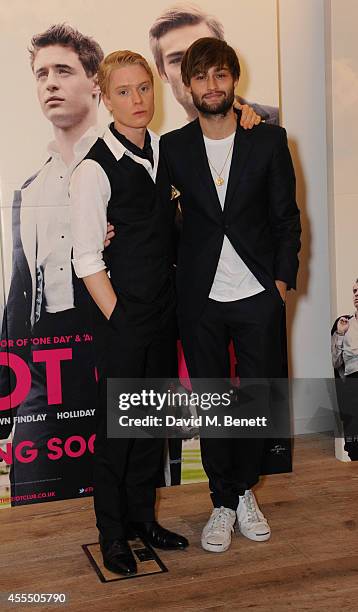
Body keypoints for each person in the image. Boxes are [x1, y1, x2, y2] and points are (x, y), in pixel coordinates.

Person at [157, 37, 301, 553]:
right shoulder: (172, 148)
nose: (211, 85)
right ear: (188, 86)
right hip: (201, 298)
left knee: (258, 398)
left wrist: (281, 282)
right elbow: (161, 223)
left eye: (220, 75)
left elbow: (286, 218)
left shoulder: (267, 139)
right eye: (201, 77)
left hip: (258, 292)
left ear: (233, 80)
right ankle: (223, 500)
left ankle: (243, 492)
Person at [70, 50, 189, 576]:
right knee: (119, 432)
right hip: (123, 320)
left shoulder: (168, 151)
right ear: (104, 96)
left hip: (167, 313)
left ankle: (143, 519)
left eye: (144, 88)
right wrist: (121, 320)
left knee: (150, 427)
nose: (137, 100)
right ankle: (113, 533)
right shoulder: (93, 169)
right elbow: (87, 258)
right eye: (123, 91)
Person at [0, 24, 104, 503]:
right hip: (45, 361)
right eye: (42, 74)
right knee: (34, 488)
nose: (51, 83)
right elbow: (18, 292)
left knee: (121, 485)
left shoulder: (128, 164)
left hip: (109, 348)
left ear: (94, 82)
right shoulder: (28, 188)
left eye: (64, 70)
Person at [149, 4, 279, 124]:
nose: (192, 67)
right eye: (177, 60)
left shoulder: (279, 121)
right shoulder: (171, 145)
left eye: (205, 52)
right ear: (161, 72)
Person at [331, 279, 358, 459]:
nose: (356, 294)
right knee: (354, 446)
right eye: (354, 290)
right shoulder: (343, 323)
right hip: (352, 382)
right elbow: (335, 362)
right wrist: (340, 334)